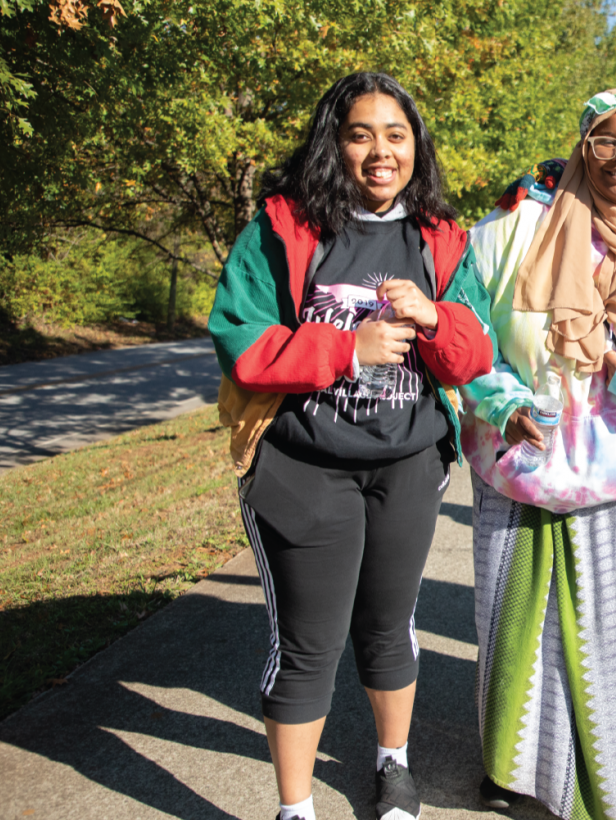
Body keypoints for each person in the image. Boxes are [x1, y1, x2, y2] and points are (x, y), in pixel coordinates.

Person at [208, 72, 494, 820]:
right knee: (309, 643)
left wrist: (434, 316)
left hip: (406, 465)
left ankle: (393, 766)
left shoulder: (439, 234)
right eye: (361, 133)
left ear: (415, 146)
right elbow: (242, 341)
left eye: (395, 135)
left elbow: (473, 353)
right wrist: (346, 348)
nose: (380, 151)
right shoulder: (283, 227)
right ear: (334, 143)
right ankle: (294, 807)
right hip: (302, 468)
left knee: (389, 623)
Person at [458, 87, 616, 820]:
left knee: (615, 642)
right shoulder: (509, 234)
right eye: (605, 140)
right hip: (522, 469)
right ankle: (519, 769)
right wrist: (503, 405)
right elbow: (468, 333)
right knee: (519, 633)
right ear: (581, 146)